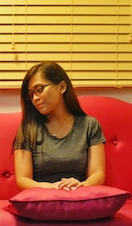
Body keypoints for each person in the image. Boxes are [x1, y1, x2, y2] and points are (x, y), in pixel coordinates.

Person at [13, 61, 106, 190]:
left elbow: (98, 174)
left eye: (39, 89)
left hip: (78, 195)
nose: (35, 98)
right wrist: (50, 188)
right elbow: (22, 179)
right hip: (42, 197)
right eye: (31, 94)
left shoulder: (89, 125)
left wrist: (81, 185)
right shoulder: (29, 129)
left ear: (62, 87)